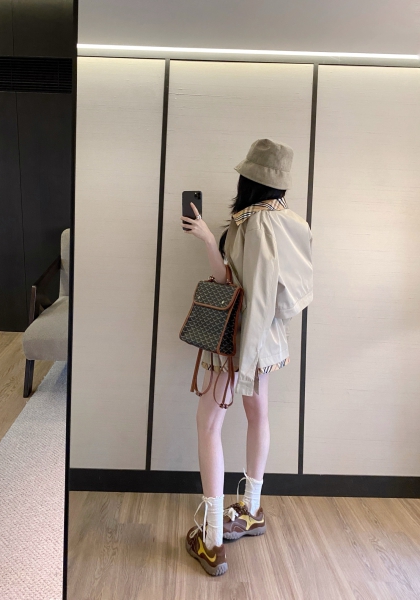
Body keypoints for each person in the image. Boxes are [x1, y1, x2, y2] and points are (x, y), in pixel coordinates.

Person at [180, 138, 313, 576]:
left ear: (248, 180)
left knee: (208, 424)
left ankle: (213, 539)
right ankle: (252, 510)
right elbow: (277, 293)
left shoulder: (252, 224)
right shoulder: (291, 223)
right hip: (267, 340)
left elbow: (235, 288)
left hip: (238, 339)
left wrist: (207, 239)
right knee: (259, 416)